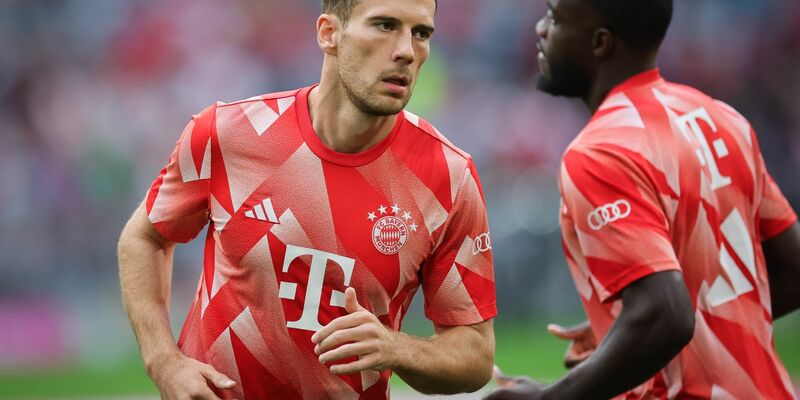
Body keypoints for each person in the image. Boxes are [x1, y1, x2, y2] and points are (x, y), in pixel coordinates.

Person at [117, 0, 497, 399]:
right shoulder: (228, 133)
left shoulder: (449, 177)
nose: (406, 50)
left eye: (421, 33)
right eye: (385, 25)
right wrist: (163, 361)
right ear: (328, 34)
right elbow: (145, 237)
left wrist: (397, 349)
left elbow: (474, 354)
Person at [485, 0, 800, 399]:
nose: (540, 29)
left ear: (600, 43)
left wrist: (550, 397)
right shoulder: (720, 118)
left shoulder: (601, 152)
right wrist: (627, 333)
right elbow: (792, 271)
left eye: (555, 18)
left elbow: (665, 317)